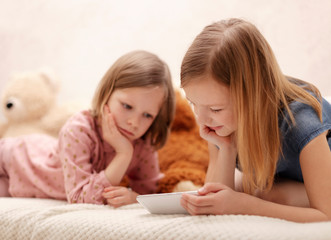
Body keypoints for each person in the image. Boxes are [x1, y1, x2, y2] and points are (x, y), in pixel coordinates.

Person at [180, 18, 331, 222]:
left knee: (267, 196)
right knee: (249, 189)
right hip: (284, 177)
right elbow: (216, 197)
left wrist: (246, 205)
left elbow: (326, 213)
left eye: (215, 108)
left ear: (252, 97)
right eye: (193, 104)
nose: (201, 118)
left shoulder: (300, 120)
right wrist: (225, 148)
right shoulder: (218, 121)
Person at [0, 50, 175, 207]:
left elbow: (149, 195)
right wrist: (123, 154)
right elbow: (79, 198)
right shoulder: (78, 129)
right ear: (107, 93)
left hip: (21, 186)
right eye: (127, 106)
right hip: (15, 159)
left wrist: (134, 197)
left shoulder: (143, 143)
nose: (134, 122)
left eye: (147, 115)